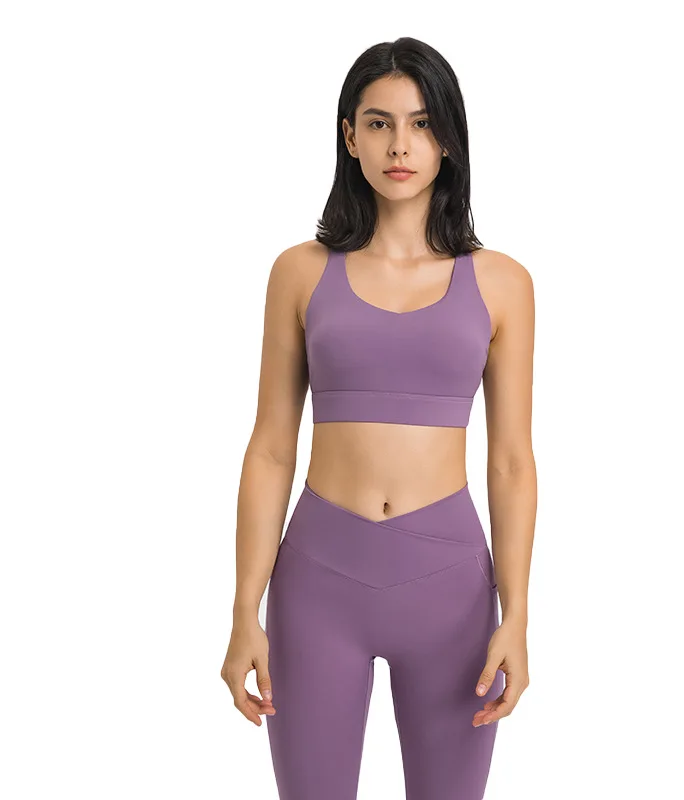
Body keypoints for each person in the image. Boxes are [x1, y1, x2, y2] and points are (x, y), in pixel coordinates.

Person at [220, 36, 537, 800]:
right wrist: (243, 609)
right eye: (379, 123)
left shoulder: (502, 283)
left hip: (450, 591)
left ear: (449, 139)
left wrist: (518, 614)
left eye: (422, 124)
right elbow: (270, 449)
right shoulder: (299, 272)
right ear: (349, 135)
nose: (401, 145)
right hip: (317, 586)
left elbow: (511, 461)